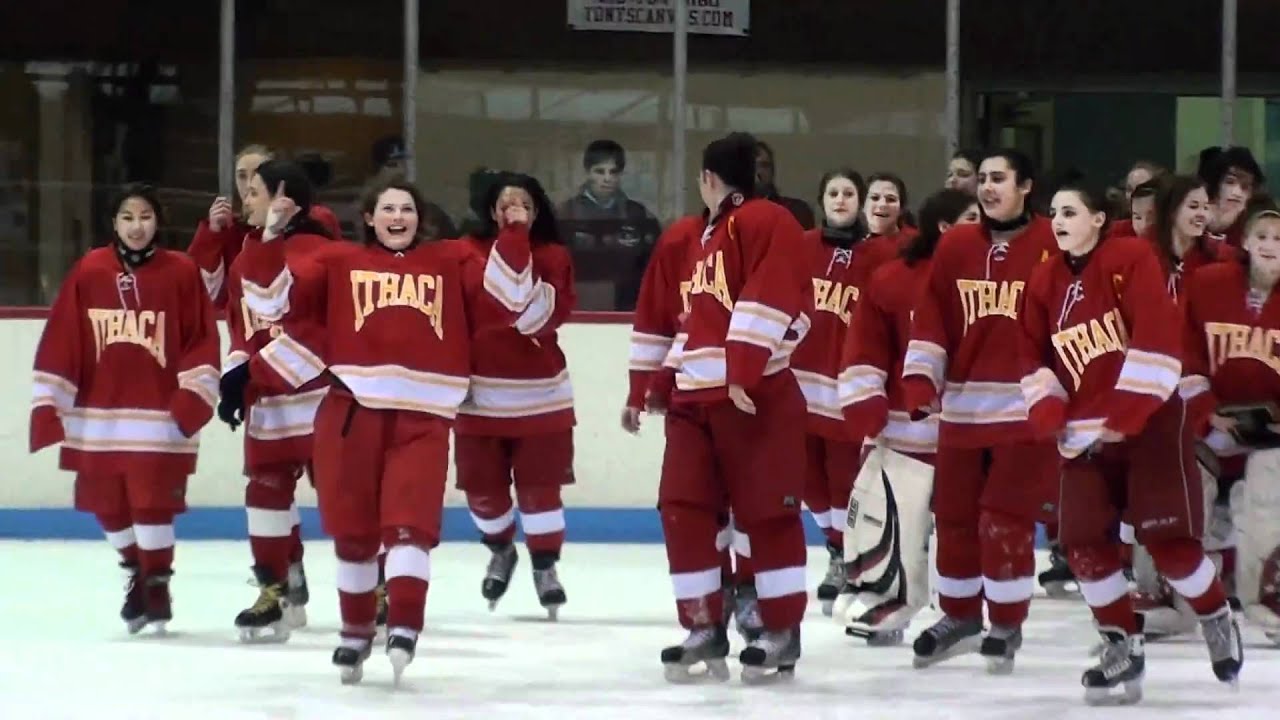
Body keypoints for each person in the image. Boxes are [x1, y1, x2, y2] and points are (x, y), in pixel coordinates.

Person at [218, 175, 536, 685]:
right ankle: (355, 630)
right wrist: (269, 237)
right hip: (352, 411)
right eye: (387, 208)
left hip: (424, 418)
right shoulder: (338, 261)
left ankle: (405, 622)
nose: (397, 217)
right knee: (355, 530)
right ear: (369, 218)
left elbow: (511, 299)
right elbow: (271, 306)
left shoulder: (451, 260)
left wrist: (514, 235)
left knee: (410, 523)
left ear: (420, 217)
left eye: (407, 209)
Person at [1018, 182, 1242, 705]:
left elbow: (1158, 339)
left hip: (1152, 421)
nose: (1058, 220)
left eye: (1070, 211)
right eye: (1053, 213)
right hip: (1084, 434)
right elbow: (1030, 356)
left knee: (1170, 547)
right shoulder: (1044, 279)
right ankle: (1121, 642)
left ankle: (1214, 614)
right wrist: (1049, 409)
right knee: (1084, 544)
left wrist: (1127, 412)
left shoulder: (1131, 257)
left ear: (1099, 219)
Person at [30, 183, 220, 635]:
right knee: (105, 503)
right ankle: (137, 569)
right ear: (113, 223)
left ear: (159, 221)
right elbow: (63, 336)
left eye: (146, 217)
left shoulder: (181, 271)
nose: (137, 226)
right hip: (98, 414)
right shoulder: (89, 270)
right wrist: (50, 399)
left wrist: (193, 392)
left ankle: (156, 584)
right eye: (128, 217)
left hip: (159, 416)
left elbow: (200, 338)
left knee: (152, 503)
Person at [657, 131, 811, 684]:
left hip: (752, 396)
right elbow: (696, 318)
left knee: (767, 514)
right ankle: (704, 624)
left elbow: (778, 299)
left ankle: (780, 630)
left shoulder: (764, 221)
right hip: (694, 398)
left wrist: (743, 369)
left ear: (708, 178)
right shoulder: (708, 233)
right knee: (684, 508)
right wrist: (661, 379)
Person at [900, 148, 1060, 673]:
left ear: (1027, 186)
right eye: (983, 179)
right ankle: (960, 615)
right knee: (955, 517)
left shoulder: (1051, 245)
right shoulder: (956, 246)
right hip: (964, 410)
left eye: (999, 179)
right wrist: (922, 377)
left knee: (1005, 518)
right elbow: (932, 316)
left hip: (1026, 410)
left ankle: (1007, 620)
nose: (988, 188)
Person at [837, 188, 979, 645]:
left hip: (973, 426)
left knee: (963, 527)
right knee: (899, 523)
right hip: (906, 429)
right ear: (944, 226)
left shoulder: (991, 279)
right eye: (972, 217)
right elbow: (864, 346)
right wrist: (866, 407)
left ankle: (965, 609)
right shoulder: (893, 280)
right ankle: (892, 602)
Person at [217, 160, 335, 642]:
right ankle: (275, 588)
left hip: (324, 401)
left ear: (284, 198)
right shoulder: (248, 256)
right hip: (270, 402)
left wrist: (255, 370)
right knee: (264, 492)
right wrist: (234, 377)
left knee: (347, 499)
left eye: (255, 189)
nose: (246, 196)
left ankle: (376, 590)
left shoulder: (324, 256)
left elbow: (321, 335)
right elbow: (242, 329)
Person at [454, 172, 577, 619]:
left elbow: (527, 314)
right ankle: (501, 549)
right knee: (483, 493)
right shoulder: (463, 253)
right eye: (506, 205)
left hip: (541, 396)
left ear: (537, 210)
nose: (514, 211)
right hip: (476, 396)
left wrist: (515, 237)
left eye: (523, 204)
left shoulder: (553, 256)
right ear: (490, 210)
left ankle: (546, 567)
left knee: (541, 493)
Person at [790, 168, 897, 615]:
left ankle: (846, 557)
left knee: (843, 483)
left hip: (845, 388)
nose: (840, 200)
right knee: (806, 481)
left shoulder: (878, 255)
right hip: (797, 384)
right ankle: (838, 548)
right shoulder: (801, 247)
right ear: (821, 199)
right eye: (832, 192)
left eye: (849, 193)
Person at [1184, 203, 1280, 649]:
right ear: (1244, 241)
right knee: (1180, 480)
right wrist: (1207, 411)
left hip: (1273, 435)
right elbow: (1184, 356)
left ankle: (1265, 599)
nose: (1270, 246)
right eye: (1262, 236)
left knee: (1267, 486)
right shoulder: (1207, 285)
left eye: (1279, 240)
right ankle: (1177, 595)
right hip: (1210, 425)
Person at [557, 139, 661, 311]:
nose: (607, 178)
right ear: (587, 173)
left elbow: (654, 267)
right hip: (577, 312)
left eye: (613, 172)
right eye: (600, 172)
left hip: (628, 310)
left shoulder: (638, 215)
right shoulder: (564, 214)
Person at [189, 144, 273, 308]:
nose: (249, 183)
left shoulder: (291, 226)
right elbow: (197, 287)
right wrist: (213, 233)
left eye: (257, 175)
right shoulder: (226, 228)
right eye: (242, 176)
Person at [754, 141, 816, 229]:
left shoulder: (797, 211)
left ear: (773, 171)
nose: (759, 172)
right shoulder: (730, 213)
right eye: (752, 166)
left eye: (764, 166)